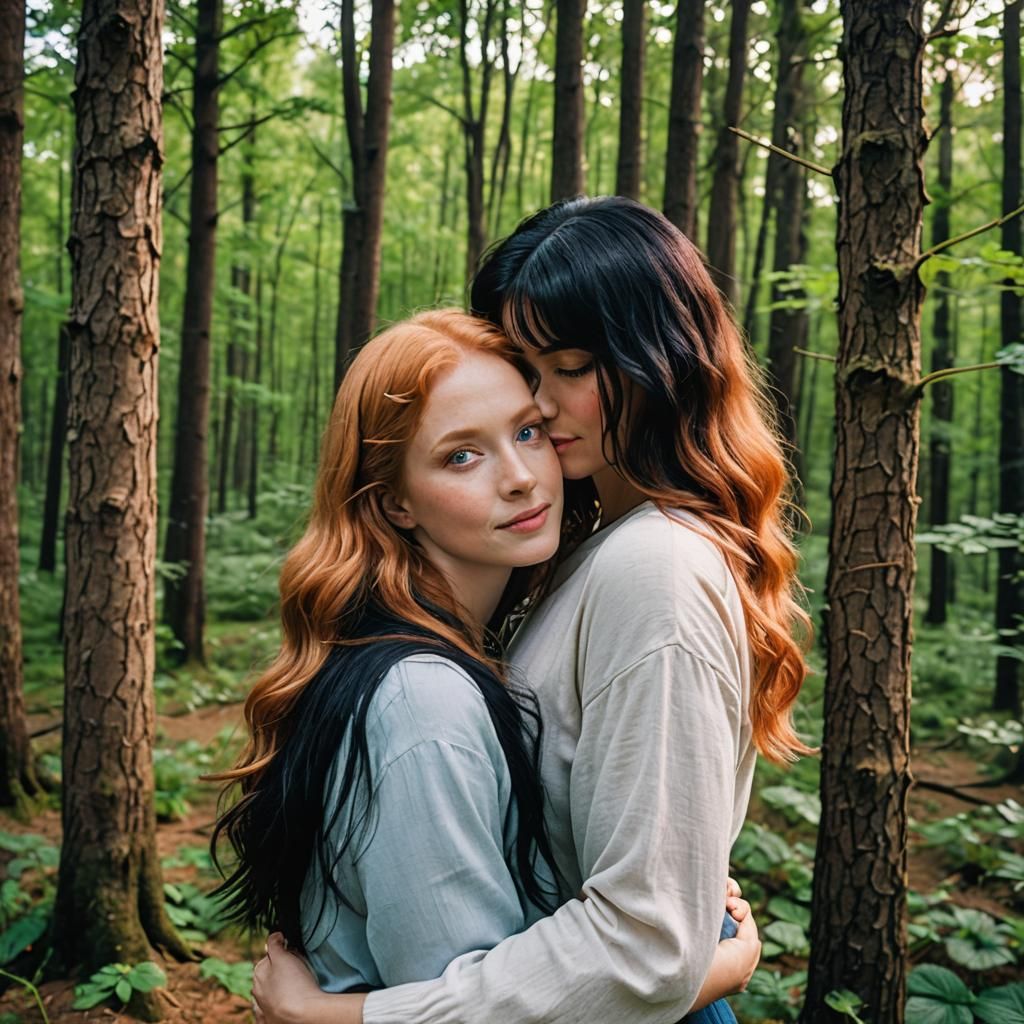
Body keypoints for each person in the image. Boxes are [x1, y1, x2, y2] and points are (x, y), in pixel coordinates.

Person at [253, 196, 807, 1024]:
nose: (542, 406)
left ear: (661, 361)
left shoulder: (653, 562)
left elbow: (647, 944)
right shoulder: (578, 555)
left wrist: (348, 1019)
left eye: (573, 367)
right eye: (528, 372)